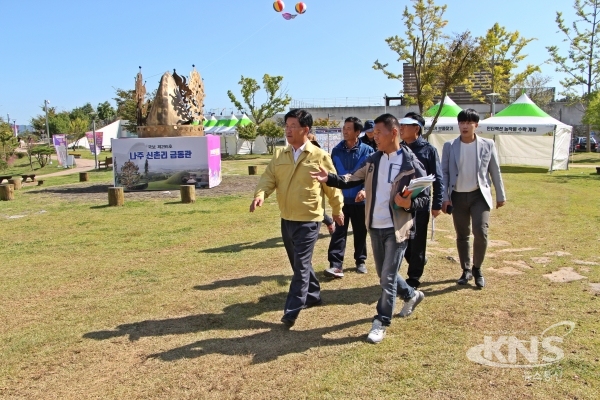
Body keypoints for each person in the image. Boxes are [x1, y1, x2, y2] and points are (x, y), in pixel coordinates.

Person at [312, 113, 426, 344]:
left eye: (378, 134)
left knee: (387, 277)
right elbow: (351, 178)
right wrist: (330, 179)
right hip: (375, 226)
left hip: (397, 229)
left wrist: (410, 203)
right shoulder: (374, 160)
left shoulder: (410, 163)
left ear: (393, 133)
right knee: (385, 274)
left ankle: (381, 322)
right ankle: (411, 295)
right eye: (373, 134)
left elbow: (425, 197)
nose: (374, 138)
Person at [250, 109, 344, 328]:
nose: (288, 130)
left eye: (293, 126)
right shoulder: (279, 155)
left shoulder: (319, 156)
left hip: (309, 220)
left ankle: (291, 311)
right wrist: (260, 195)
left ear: (305, 130)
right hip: (287, 218)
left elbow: (332, 185)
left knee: (301, 266)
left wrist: (337, 209)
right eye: (287, 125)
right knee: (298, 263)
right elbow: (268, 179)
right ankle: (313, 295)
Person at [441, 109, 506, 289]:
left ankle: (477, 268)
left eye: (469, 123)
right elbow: (444, 173)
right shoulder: (449, 146)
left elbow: (495, 170)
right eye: (461, 122)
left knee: (481, 232)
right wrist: (444, 197)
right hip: (457, 196)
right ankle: (466, 269)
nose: (464, 126)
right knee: (462, 235)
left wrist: (501, 195)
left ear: (476, 125)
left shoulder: (488, 144)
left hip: (479, 195)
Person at [324, 117, 375, 278]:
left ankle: (360, 261)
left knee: (360, 231)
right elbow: (333, 175)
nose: (344, 131)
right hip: (341, 200)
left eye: (348, 128)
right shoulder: (336, 150)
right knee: (339, 232)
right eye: (344, 128)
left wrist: (365, 191)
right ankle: (335, 264)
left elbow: (370, 176)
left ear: (357, 132)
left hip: (361, 200)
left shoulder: (368, 151)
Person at [399, 112, 444, 288]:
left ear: (416, 128)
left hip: (421, 203)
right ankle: (418, 260)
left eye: (405, 125)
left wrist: (437, 203)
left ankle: (414, 277)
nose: (401, 128)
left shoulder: (428, 150)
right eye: (400, 125)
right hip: (401, 201)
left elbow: (438, 178)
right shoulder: (399, 148)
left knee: (417, 239)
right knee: (403, 239)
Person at [308, 132, 336, 234]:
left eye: (312, 143)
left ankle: (329, 223)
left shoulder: (321, 155)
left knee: (318, 209)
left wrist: (337, 208)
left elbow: (332, 186)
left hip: (318, 187)